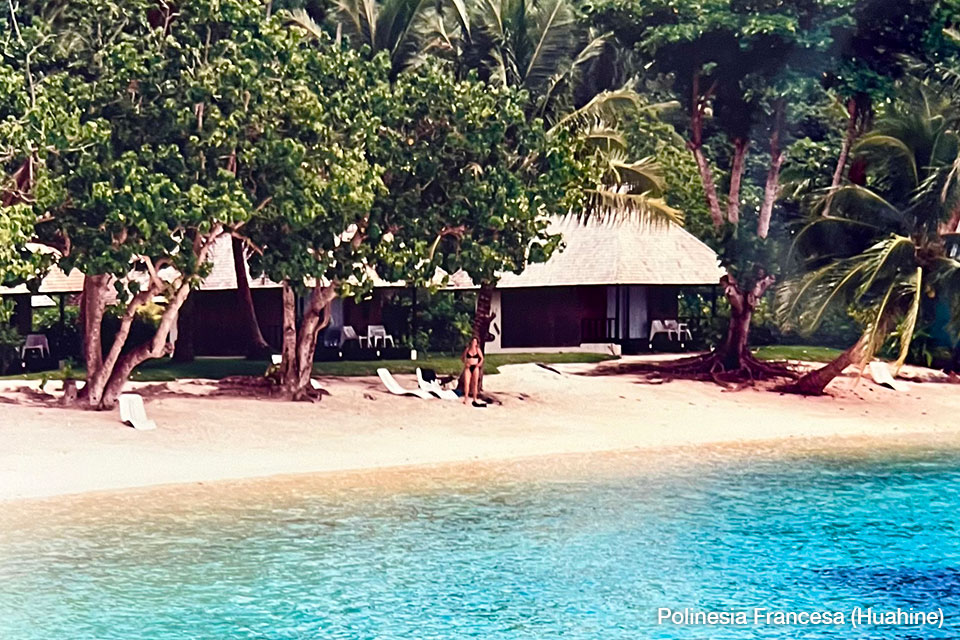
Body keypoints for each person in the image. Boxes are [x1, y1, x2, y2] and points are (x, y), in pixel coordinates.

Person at [461, 336, 485, 407]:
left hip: (475, 367)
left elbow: (482, 358)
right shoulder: (467, 349)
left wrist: (478, 365)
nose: (474, 343)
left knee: (475, 383)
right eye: (473, 341)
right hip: (468, 367)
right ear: (471, 342)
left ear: (477, 343)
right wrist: (466, 363)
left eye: (475, 342)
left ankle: (475, 398)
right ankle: (466, 398)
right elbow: (462, 358)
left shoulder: (478, 350)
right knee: (467, 383)